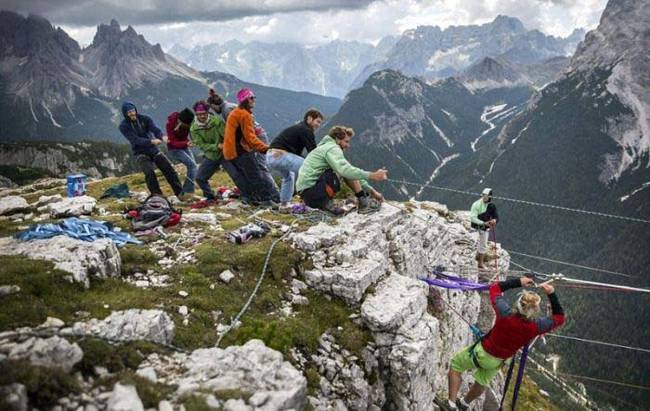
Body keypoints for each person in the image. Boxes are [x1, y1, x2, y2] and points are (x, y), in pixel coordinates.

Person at [442, 277, 565, 411]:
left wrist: (519, 281)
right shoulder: (536, 326)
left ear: (519, 304)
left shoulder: (505, 313)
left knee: (456, 366)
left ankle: (451, 405)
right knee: (482, 381)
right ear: (535, 310)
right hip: (499, 361)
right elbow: (559, 318)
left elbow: (495, 288)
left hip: (482, 353)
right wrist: (551, 293)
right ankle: (465, 404)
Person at [295, 125, 387, 214]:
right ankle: (364, 204)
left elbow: (350, 172)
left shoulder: (325, 147)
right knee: (346, 171)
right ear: (338, 140)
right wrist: (373, 175)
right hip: (313, 194)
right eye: (346, 141)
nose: (348, 145)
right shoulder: (332, 148)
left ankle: (326, 203)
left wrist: (373, 192)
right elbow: (346, 171)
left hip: (309, 195)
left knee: (347, 170)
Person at [119, 102, 183, 200]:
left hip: (153, 150)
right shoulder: (123, 126)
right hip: (140, 152)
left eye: (133, 111)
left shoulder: (145, 119)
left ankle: (180, 193)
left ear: (135, 110)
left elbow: (155, 129)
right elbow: (135, 140)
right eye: (129, 112)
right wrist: (151, 141)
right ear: (125, 114)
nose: (132, 114)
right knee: (149, 173)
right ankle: (158, 196)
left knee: (168, 168)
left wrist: (162, 136)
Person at [267, 108, 324, 206]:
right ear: (309, 118)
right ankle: (313, 201)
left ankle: (284, 204)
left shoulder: (300, 128)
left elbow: (297, 155)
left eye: (320, 123)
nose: (318, 125)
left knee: (289, 177)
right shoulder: (306, 130)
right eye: (317, 121)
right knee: (310, 169)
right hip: (281, 155)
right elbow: (313, 152)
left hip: (270, 156)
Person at [190, 100, 226, 201]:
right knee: (200, 178)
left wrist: (225, 145)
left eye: (204, 113)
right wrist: (216, 146)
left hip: (225, 153)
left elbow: (226, 135)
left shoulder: (216, 121)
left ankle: (246, 195)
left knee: (236, 175)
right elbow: (201, 145)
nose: (201, 116)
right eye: (199, 114)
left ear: (207, 112)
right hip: (211, 155)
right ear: (196, 114)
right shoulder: (194, 129)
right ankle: (210, 197)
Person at [165, 107, 197, 197]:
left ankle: (186, 192)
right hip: (174, 149)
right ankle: (188, 192)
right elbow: (173, 142)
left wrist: (194, 140)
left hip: (184, 146)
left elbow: (192, 132)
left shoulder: (188, 122)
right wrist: (186, 143)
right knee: (192, 165)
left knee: (193, 166)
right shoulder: (170, 124)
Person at [470, 188, 499, 269]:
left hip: (485, 228)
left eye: (488, 197)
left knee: (483, 245)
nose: (487, 199)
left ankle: (480, 263)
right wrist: (483, 223)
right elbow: (473, 218)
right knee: (473, 244)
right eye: (486, 197)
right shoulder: (476, 204)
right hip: (475, 228)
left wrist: (494, 220)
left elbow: (496, 217)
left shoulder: (491, 206)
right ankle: (472, 261)